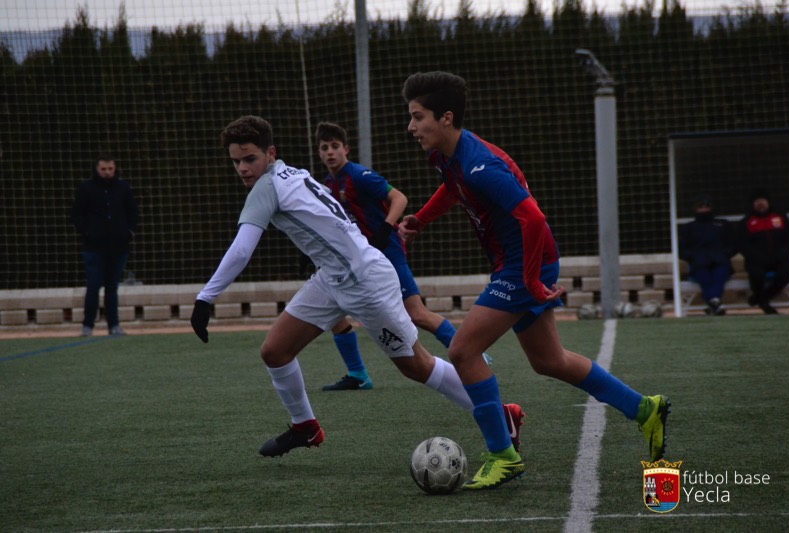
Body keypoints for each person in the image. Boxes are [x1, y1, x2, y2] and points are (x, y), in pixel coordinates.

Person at [189, 115, 524, 458]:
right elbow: (329, 216)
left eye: (250, 159)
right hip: (333, 277)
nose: (243, 168)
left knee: (416, 366)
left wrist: (205, 298)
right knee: (274, 351)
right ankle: (305, 426)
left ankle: (500, 413)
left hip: (365, 282)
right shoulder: (292, 173)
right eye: (236, 161)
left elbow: (242, 248)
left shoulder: (267, 186)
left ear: (270, 153)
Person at [398, 71, 669, 490]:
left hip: (524, 266)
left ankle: (502, 455)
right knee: (549, 361)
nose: (411, 126)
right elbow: (452, 191)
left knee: (464, 351)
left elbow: (534, 218)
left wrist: (529, 280)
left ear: (446, 117)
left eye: (418, 117)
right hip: (522, 265)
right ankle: (645, 409)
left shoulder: (479, 165)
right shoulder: (448, 158)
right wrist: (421, 219)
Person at [315, 121, 493, 392]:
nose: (330, 152)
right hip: (358, 261)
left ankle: (476, 356)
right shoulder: (328, 183)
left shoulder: (361, 176)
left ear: (346, 149)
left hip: (387, 253)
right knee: (335, 315)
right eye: (324, 148)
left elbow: (399, 198)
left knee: (417, 314)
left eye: (335, 147)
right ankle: (358, 375)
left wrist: (386, 229)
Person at [72, 154, 138, 337]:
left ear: (115, 169)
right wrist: (87, 233)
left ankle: (114, 325)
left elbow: (132, 211)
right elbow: (77, 214)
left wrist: (128, 232)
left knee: (112, 287)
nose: (107, 172)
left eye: (110, 169)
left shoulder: (123, 187)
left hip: (118, 247)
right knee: (93, 286)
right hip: (93, 248)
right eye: (103, 169)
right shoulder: (86, 188)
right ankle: (87, 326)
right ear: (97, 169)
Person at [738, 188, 789, 314]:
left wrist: (782, 254)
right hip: (757, 260)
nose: (760, 204)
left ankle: (761, 298)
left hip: (779, 258)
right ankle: (764, 304)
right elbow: (742, 245)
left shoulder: (781, 217)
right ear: (752, 204)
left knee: (786, 272)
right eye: (757, 201)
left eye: (763, 200)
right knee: (756, 275)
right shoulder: (746, 221)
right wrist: (757, 257)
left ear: (768, 202)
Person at [678, 195, 736, 315]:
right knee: (705, 279)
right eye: (700, 206)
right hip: (699, 263)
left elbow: (733, 244)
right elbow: (682, 249)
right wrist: (694, 257)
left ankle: (713, 303)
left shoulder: (723, 224)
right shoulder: (689, 228)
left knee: (719, 277)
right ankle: (715, 302)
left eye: (706, 206)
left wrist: (724, 255)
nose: (704, 209)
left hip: (720, 260)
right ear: (695, 209)